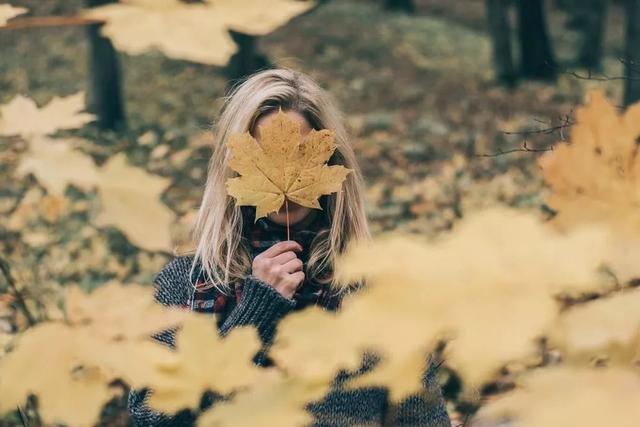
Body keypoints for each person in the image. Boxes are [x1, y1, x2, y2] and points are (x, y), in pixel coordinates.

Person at [128, 68, 451, 426]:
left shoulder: (375, 292)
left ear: (331, 162)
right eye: (265, 158)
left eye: (303, 155)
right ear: (234, 169)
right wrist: (258, 310)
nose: (286, 171)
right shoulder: (184, 285)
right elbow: (149, 419)